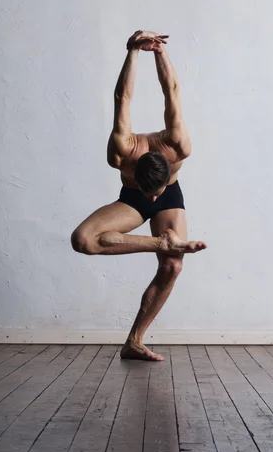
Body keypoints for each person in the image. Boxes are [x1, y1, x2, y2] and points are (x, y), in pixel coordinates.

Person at [71, 30, 207, 361]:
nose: (154, 197)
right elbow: (123, 97)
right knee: (83, 240)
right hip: (132, 199)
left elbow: (171, 90)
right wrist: (132, 51)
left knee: (173, 267)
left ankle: (134, 340)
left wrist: (159, 51)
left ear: (169, 166)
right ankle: (164, 244)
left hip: (171, 196)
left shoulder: (178, 144)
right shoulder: (121, 151)